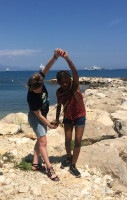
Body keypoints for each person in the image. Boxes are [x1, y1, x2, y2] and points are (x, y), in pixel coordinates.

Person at [27, 50, 60, 181]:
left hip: (43, 116)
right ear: (31, 88)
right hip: (36, 118)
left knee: (40, 140)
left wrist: (55, 57)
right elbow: (39, 116)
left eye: (40, 89)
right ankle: (49, 168)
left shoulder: (39, 79)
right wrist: (50, 125)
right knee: (43, 141)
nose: (39, 91)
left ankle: (35, 164)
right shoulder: (31, 97)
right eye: (36, 90)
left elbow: (47, 67)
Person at [55, 49, 86, 178]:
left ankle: (73, 166)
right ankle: (69, 157)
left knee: (77, 140)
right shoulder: (59, 92)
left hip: (79, 116)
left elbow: (74, 72)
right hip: (67, 117)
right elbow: (58, 106)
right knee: (68, 140)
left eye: (66, 81)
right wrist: (57, 119)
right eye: (61, 82)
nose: (64, 84)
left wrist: (67, 58)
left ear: (70, 80)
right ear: (58, 82)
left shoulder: (75, 87)